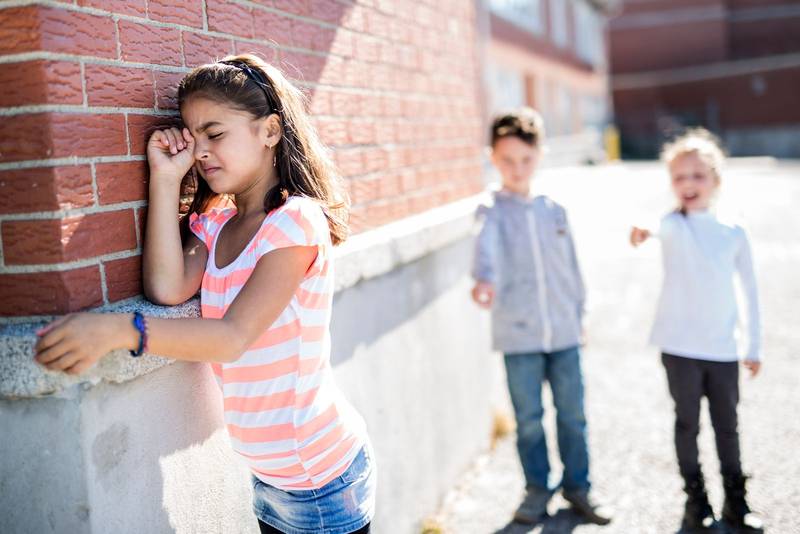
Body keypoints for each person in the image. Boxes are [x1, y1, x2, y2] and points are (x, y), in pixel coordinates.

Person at [34, 54, 375, 534]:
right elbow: (167, 288)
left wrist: (119, 330)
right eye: (194, 140)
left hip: (321, 478)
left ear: (270, 130)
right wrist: (165, 179)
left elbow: (232, 337)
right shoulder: (216, 222)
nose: (202, 153)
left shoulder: (295, 221)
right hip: (272, 477)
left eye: (215, 134)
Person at [471, 108, 611, 526]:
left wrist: (580, 314)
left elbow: (572, 268)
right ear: (493, 158)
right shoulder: (490, 210)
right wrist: (484, 281)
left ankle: (579, 488)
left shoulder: (555, 209)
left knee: (573, 415)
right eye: (507, 160)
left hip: (564, 332)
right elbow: (485, 251)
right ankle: (536, 490)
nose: (517, 169)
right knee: (529, 419)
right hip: (519, 336)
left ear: (540, 156)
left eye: (526, 159)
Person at [630, 128, 763, 532]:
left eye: (698, 175)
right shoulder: (673, 224)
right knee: (687, 425)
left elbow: (750, 291)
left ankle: (736, 503)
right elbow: (653, 225)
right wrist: (641, 229)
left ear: (716, 180)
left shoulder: (733, 231)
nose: (688, 184)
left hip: (722, 349)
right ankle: (696, 504)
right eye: (679, 177)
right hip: (679, 348)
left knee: (727, 427)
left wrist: (753, 345)